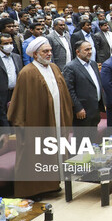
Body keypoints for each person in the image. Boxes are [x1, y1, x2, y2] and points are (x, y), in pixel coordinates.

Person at [8, 36, 74, 198]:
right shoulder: (27, 72)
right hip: (37, 123)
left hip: (57, 121)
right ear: (35, 54)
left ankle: (52, 184)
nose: (49, 53)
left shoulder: (54, 68)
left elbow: (63, 94)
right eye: (45, 51)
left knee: (55, 153)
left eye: (50, 50)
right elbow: (20, 104)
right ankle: (34, 190)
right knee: (36, 155)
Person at [63, 40, 104, 142]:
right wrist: (78, 108)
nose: (90, 52)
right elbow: (69, 90)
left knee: (93, 138)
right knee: (81, 141)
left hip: (94, 108)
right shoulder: (71, 67)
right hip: (82, 111)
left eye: (90, 49)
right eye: (86, 49)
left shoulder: (93, 64)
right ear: (78, 52)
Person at [0, 33, 22, 126]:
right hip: (2, 94)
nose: (9, 46)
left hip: (16, 92)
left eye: (10, 43)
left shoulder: (16, 57)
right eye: (5, 44)